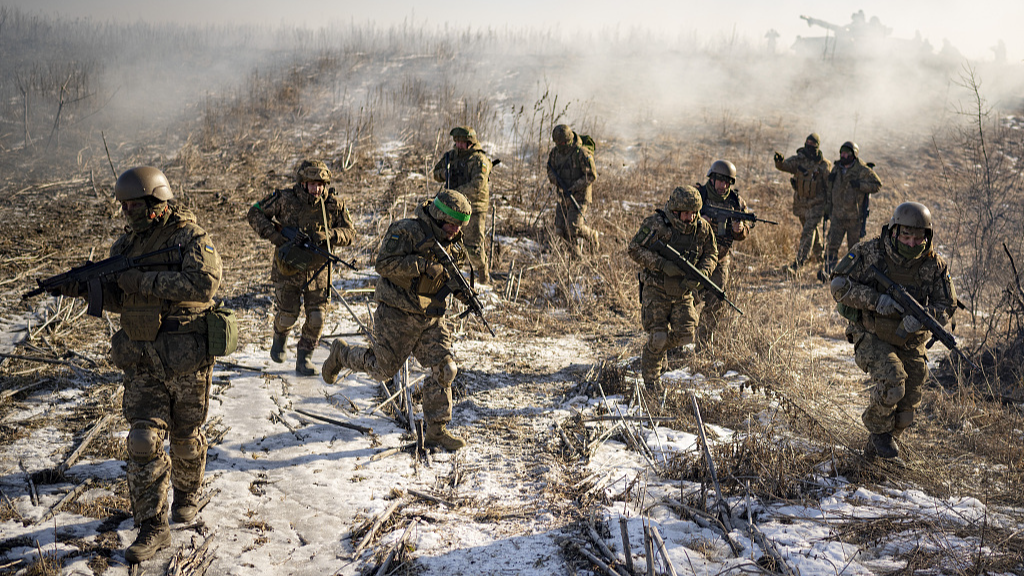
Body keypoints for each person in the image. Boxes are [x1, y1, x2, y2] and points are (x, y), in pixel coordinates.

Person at [54, 167, 223, 563]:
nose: (127, 211)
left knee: (184, 439)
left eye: (134, 204)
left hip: (185, 357)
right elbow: (120, 297)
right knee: (143, 440)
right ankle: (152, 526)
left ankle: (187, 494)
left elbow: (204, 284)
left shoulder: (190, 237)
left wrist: (142, 282)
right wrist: (82, 289)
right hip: (142, 359)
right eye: (124, 205)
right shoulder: (124, 246)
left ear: (156, 202)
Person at [321, 190, 473, 451]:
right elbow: (383, 264)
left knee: (446, 368)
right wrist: (421, 265)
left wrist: (462, 292)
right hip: (396, 313)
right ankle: (342, 354)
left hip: (430, 317)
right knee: (382, 370)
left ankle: (436, 430)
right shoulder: (406, 231)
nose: (455, 229)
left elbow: (451, 276)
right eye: (451, 223)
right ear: (438, 216)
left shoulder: (454, 243)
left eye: (460, 225)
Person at [829, 202, 957, 459]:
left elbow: (947, 304)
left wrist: (925, 319)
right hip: (872, 333)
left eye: (918, 238)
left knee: (907, 409)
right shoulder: (871, 252)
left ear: (927, 236)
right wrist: (875, 300)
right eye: (906, 237)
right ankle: (877, 431)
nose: (911, 244)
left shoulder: (935, 265)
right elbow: (839, 286)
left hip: (911, 341)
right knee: (893, 382)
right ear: (895, 231)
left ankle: (876, 454)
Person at [247, 160, 356, 375]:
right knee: (288, 314)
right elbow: (255, 213)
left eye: (320, 184)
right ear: (303, 183)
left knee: (317, 319)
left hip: (318, 272)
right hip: (288, 268)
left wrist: (330, 235)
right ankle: (280, 336)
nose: (317, 189)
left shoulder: (334, 205)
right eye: (312, 184)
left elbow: (350, 233)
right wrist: (275, 236)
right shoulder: (285, 199)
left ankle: (304, 358)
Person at [628, 186, 717, 387]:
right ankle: (651, 382)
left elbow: (711, 254)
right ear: (675, 211)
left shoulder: (702, 228)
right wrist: (661, 264)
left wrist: (702, 273)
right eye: (686, 213)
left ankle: (653, 350)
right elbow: (634, 249)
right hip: (656, 289)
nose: (691, 217)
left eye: (695, 213)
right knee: (658, 335)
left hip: (683, 291)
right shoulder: (656, 224)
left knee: (686, 335)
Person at [695, 160, 751, 352]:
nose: (724, 186)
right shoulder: (698, 196)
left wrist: (740, 230)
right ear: (712, 178)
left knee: (716, 303)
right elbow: (678, 219)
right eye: (720, 181)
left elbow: (745, 230)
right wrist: (698, 221)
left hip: (720, 259)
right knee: (686, 300)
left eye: (728, 182)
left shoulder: (736, 202)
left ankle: (702, 347)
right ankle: (676, 342)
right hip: (695, 259)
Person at [432, 126, 492, 280]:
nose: (458, 145)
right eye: (456, 141)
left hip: (475, 207)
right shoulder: (451, 156)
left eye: (462, 142)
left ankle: (483, 273)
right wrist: (444, 174)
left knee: (474, 247)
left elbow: (478, 185)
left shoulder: (479, 159)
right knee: (451, 241)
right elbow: (435, 173)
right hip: (453, 209)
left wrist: (457, 193)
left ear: (470, 142)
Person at [820, 141, 881, 281]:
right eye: (841, 152)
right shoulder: (836, 169)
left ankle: (852, 276)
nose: (843, 155)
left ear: (853, 155)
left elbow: (877, 184)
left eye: (846, 153)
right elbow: (830, 190)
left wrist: (860, 185)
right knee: (832, 245)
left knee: (854, 250)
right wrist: (827, 209)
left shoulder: (862, 169)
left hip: (854, 218)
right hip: (837, 216)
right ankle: (830, 273)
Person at [774, 133, 832, 273]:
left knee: (808, 231)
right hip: (801, 203)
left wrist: (828, 207)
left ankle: (799, 263)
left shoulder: (824, 165)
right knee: (810, 229)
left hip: (817, 204)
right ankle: (819, 255)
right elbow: (785, 166)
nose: (809, 147)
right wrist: (779, 162)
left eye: (812, 144)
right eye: (807, 143)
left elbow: (829, 187)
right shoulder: (799, 160)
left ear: (817, 147)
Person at [547, 124, 599, 255]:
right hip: (563, 194)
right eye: (557, 143)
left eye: (562, 143)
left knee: (573, 227)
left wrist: (575, 186)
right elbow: (550, 169)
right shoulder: (555, 153)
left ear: (568, 141)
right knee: (560, 229)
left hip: (580, 196)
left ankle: (592, 236)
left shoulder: (581, 153)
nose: (559, 145)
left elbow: (591, 175)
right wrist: (556, 180)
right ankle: (574, 255)